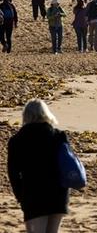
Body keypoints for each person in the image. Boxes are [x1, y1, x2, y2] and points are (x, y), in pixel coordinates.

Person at [8, 99, 72, 233]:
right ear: (46, 114)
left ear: (26, 116)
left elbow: (13, 173)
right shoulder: (58, 136)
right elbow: (67, 162)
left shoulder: (17, 140)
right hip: (58, 194)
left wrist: (20, 196)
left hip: (33, 195)